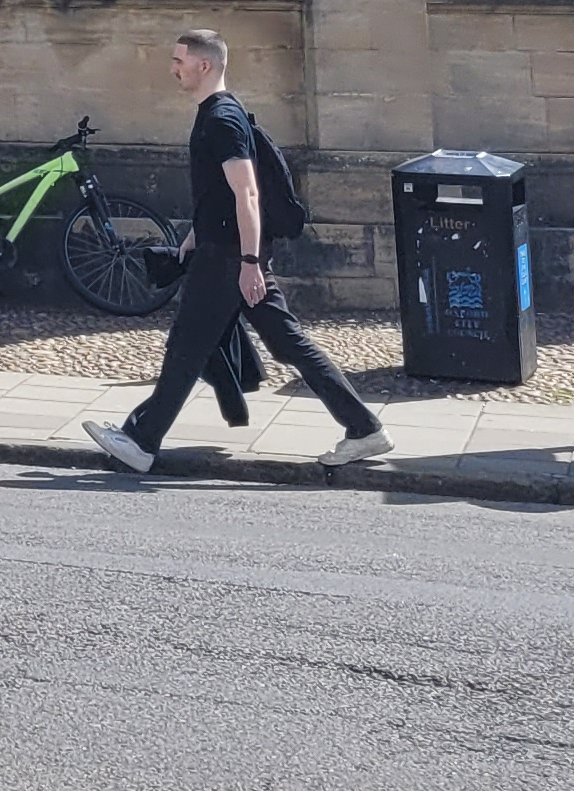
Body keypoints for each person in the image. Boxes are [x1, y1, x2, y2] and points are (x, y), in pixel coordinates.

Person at [86, 30, 390, 474]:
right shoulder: (217, 114)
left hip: (229, 258)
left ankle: (141, 441)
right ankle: (364, 428)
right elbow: (218, 195)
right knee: (287, 343)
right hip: (228, 252)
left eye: (178, 61)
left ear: (204, 65)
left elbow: (246, 193)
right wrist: (192, 241)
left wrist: (249, 263)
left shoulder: (222, 120)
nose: (172, 68)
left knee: (187, 347)